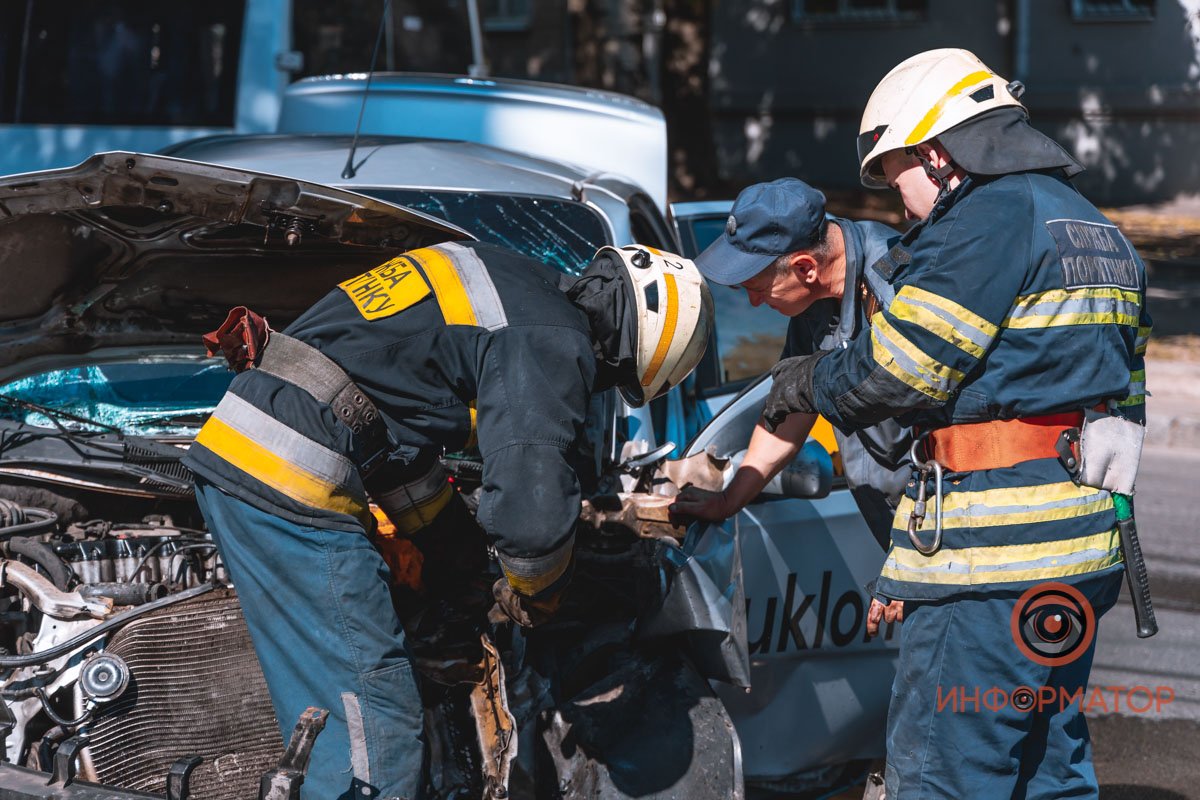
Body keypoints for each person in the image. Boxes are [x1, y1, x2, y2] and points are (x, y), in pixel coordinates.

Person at [182, 239, 713, 800]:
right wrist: (533, 594)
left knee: (337, 702)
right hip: (289, 476)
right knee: (375, 729)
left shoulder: (511, 280)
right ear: (633, 353)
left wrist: (461, 564)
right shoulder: (553, 339)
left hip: (239, 447)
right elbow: (532, 511)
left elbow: (393, 445)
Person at [760, 49, 1151, 798]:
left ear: (937, 153)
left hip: (988, 572)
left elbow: (896, 372)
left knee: (943, 776)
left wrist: (804, 379)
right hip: (1079, 558)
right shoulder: (1095, 227)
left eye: (895, 172)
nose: (899, 201)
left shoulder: (984, 221)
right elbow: (1127, 386)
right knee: (1049, 770)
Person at [669, 178, 910, 547]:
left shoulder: (904, 288)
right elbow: (790, 411)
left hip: (947, 534)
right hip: (900, 537)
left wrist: (913, 568)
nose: (753, 304)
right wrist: (727, 501)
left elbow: (948, 441)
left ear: (805, 268)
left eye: (758, 289)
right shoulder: (812, 298)